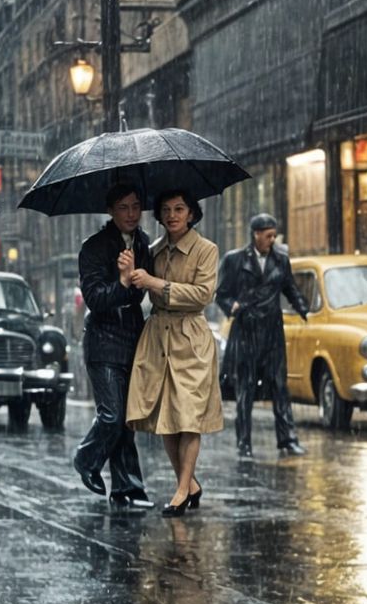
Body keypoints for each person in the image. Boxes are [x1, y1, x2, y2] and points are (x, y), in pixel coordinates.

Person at [123, 191, 223, 517]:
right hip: (158, 337)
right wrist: (131, 276)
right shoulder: (153, 251)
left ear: (192, 214)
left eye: (179, 209)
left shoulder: (206, 250)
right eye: (166, 210)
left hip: (190, 338)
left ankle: (181, 490)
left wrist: (155, 282)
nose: (172, 215)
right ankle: (189, 483)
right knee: (167, 418)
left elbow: (202, 295)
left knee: (189, 416)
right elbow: (140, 291)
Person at [71, 184, 154, 509]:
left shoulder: (144, 244)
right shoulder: (93, 248)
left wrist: (137, 280)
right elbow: (95, 299)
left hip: (133, 337)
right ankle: (86, 459)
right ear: (110, 211)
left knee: (128, 419)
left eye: (136, 206)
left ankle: (127, 488)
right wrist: (121, 281)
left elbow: (140, 294)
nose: (132, 214)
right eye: (124, 207)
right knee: (111, 415)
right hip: (103, 341)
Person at [216, 212, 309, 459]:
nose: (272, 240)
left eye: (274, 235)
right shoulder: (234, 260)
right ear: (256, 235)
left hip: (272, 332)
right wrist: (232, 307)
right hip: (246, 330)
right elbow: (221, 293)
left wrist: (302, 307)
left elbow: (289, 287)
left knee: (280, 386)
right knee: (245, 389)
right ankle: (244, 444)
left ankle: (287, 440)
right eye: (268, 236)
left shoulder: (281, 259)